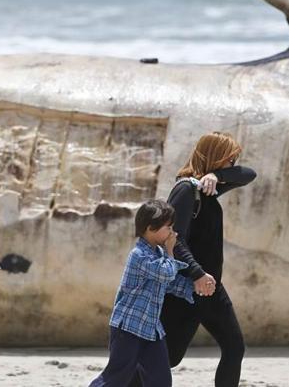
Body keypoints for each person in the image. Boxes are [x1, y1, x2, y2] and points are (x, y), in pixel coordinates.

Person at [130, 132, 257, 387]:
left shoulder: (209, 189)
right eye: (229, 159)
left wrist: (218, 175)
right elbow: (174, 240)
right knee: (166, 357)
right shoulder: (186, 190)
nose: (233, 164)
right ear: (216, 156)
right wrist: (197, 273)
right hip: (185, 288)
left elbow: (249, 174)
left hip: (211, 288)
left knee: (234, 348)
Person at [89, 200, 195, 387]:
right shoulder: (139, 255)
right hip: (128, 328)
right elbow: (166, 273)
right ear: (150, 228)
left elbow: (168, 283)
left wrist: (195, 286)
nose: (172, 232)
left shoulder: (158, 254)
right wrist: (171, 251)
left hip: (151, 330)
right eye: (168, 227)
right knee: (116, 378)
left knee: (160, 380)